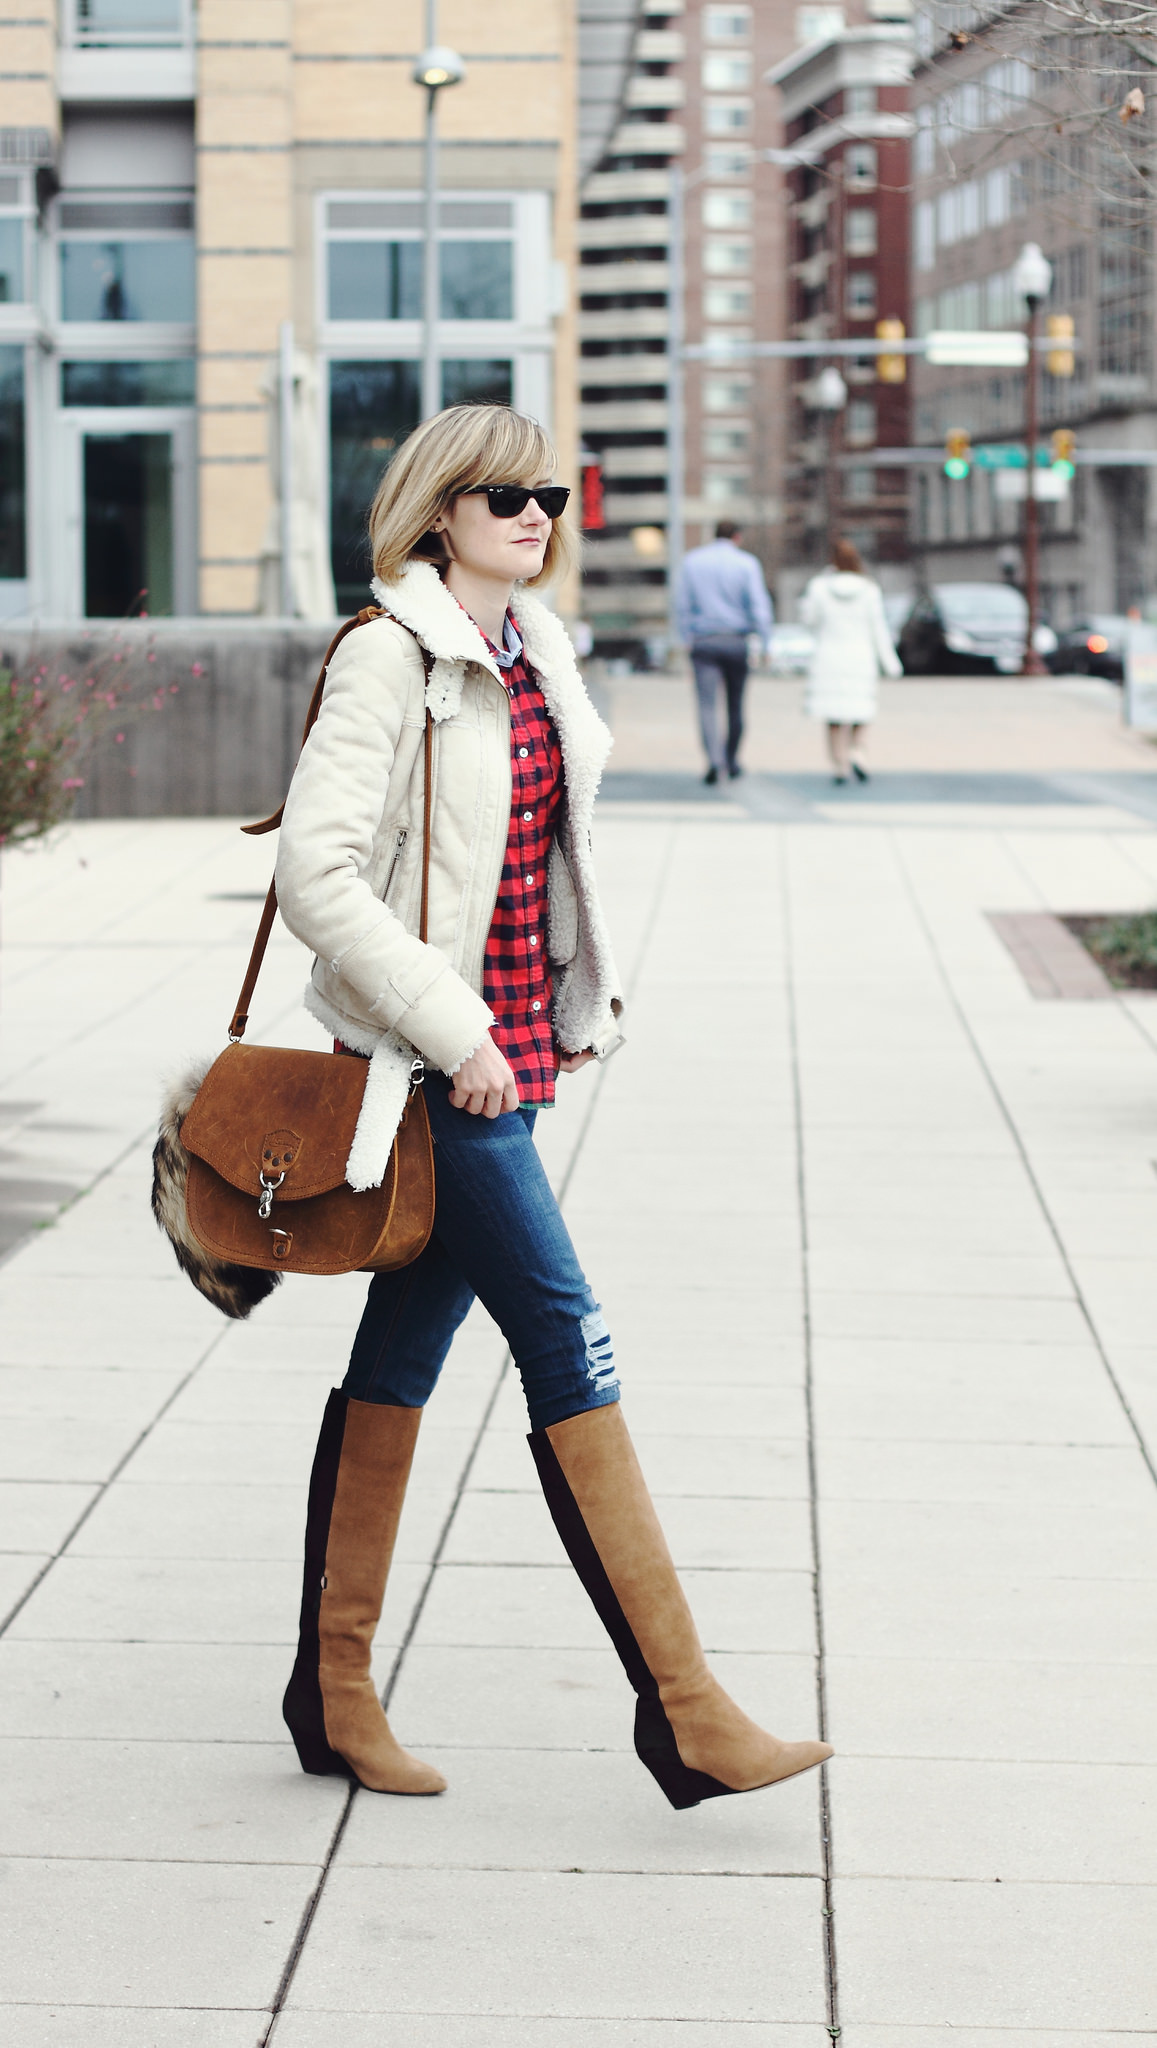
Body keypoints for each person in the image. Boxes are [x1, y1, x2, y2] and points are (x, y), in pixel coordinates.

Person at [272, 403, 832, 1809]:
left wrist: (564, 1010)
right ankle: (685, 1710)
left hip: (513, 1058)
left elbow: (535, 867)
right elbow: (316, 876)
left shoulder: (533, 652)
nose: (537, 515)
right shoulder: (391, 661)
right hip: (440, 1069)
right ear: (440, 508)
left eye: (553, 495)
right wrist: (459, 1029)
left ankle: (329, 1692)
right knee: (569, 1340)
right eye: (506, 494)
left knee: (400, 1354)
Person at [673, 520, 774, 784]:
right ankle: (732, 760)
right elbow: (759, 606)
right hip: (736, 641)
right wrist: (765, 642)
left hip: (704, 642)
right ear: (737, 537)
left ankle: (714, 762)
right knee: (736, 705)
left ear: (713, 534)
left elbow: (682, 605)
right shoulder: (747, 564)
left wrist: (685, 639)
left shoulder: (692, 562)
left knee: (707, 706)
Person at [800, 538, 902, 784]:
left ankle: (839, 764)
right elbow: (878, 629)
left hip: (829, 657)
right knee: (861, 710)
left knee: (834, 716)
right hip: (860, 656)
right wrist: (891, 663)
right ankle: (858, 751)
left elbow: (808, 620)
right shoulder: (869, 590)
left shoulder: (819, 587)